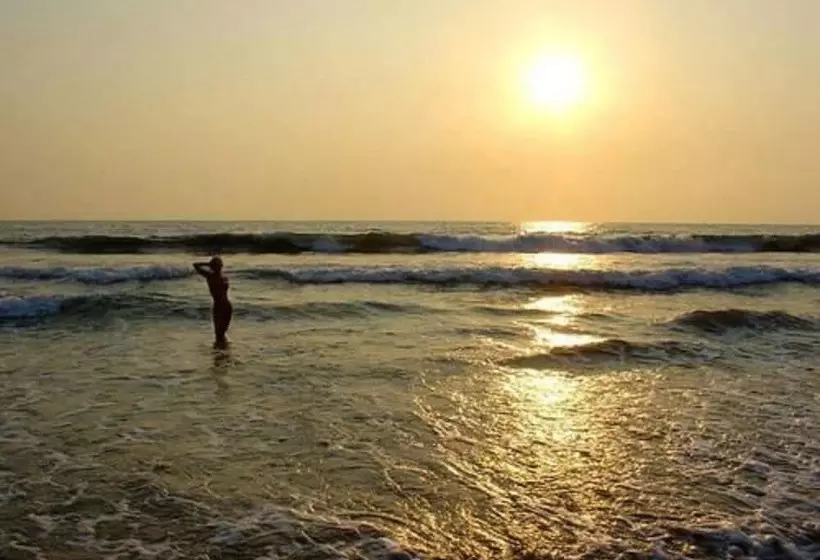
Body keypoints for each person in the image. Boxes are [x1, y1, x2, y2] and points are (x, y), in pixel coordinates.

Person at [193, 256, 232, 348]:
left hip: (223, 307)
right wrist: (208, 264)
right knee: (220, 334)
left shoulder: (216, 277)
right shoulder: (214, 277)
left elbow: (196, 266)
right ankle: (222, 353)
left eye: (218, 265)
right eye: (216, 265)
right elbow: (195, 265)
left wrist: (208, 264)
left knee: (220, 334)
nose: (218, 267)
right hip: (223, 306)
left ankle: (222, 353)